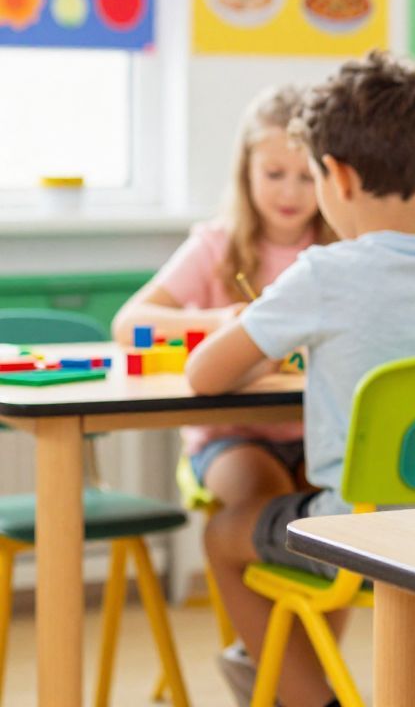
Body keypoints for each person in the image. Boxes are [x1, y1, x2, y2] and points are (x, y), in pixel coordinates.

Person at [186, 50, 415, 707]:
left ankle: (314, 699)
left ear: (334, 175)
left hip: (358, 533)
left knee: (223, 536)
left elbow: (204, 374)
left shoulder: (322, 274)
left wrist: (271, 334)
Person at [113, 85, 333, 529]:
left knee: (330, 529)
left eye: (306, 177)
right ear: (245, 170)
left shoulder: (334, 252)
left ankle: (319, 602)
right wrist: (218, 320)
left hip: (318, 435)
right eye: (274, 174)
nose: (290, 191)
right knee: (264, 508)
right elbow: (128, 323)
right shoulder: (215, 246)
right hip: (228, 437)